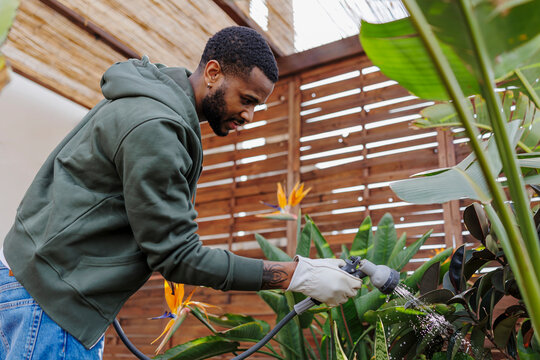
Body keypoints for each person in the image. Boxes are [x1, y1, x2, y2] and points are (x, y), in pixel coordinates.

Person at [0, 26, 362, 359]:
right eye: (247, 99)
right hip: (51, 311)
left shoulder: (142, 99)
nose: (249, 116)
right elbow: (178, 256)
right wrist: (297, 276)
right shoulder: (155, 128)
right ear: (213, 72)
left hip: (27, 286)